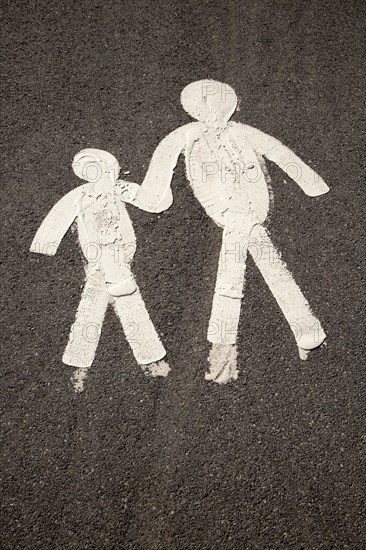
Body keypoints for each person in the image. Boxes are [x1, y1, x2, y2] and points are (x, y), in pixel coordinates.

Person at [120, 80, 329, 384]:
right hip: (228, 211)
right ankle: (299, 331)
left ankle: (227, 350)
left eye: (216, 103)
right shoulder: (186, 136)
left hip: (249, 207)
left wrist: (311, 182)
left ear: (226, 106)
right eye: (204, 104)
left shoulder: (240, 132)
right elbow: (159, 174)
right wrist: (130, 192)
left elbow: (278, 153)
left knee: (242, 271)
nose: (211, 110)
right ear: (194, 108)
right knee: (257, 267)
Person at [30, 149, 169, 391]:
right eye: (88, 169)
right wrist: (46, 243)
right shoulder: (81, 196)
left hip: (116, 255)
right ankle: (143, 357)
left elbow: (150, 200)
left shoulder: (118, 188)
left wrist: (160, 196)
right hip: (97, 259)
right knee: (100, 305)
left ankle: (83, 362)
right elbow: (58, 218)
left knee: (116, 302)